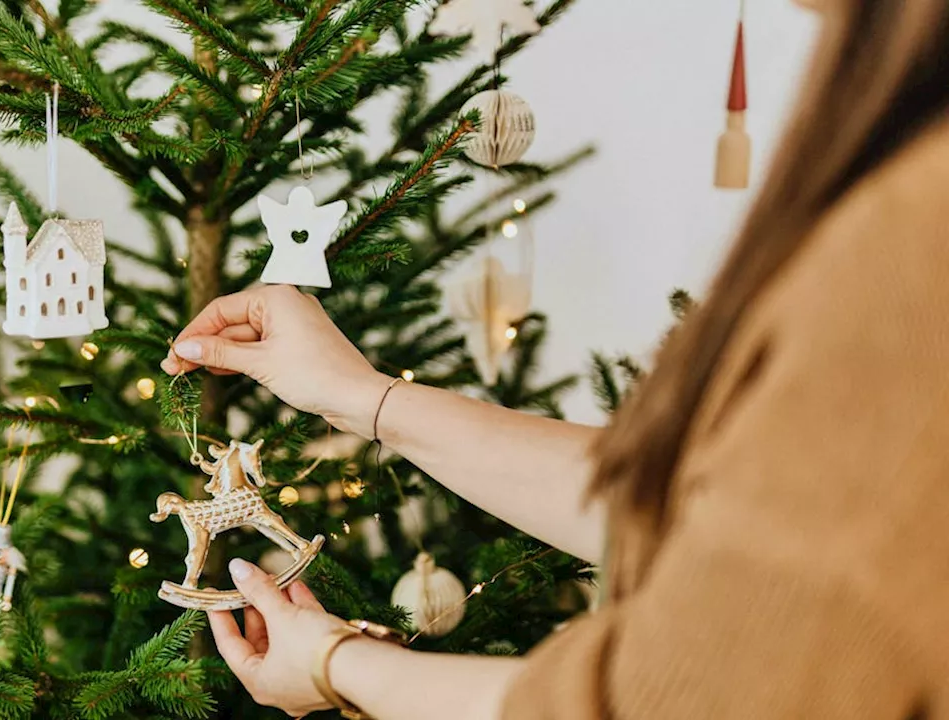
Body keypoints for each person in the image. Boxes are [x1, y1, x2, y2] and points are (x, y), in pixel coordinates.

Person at [160, 0, 949, 716]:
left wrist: (340, 664)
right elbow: (685, 519)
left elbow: (675, 698)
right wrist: (356, 396)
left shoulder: (912, 236)